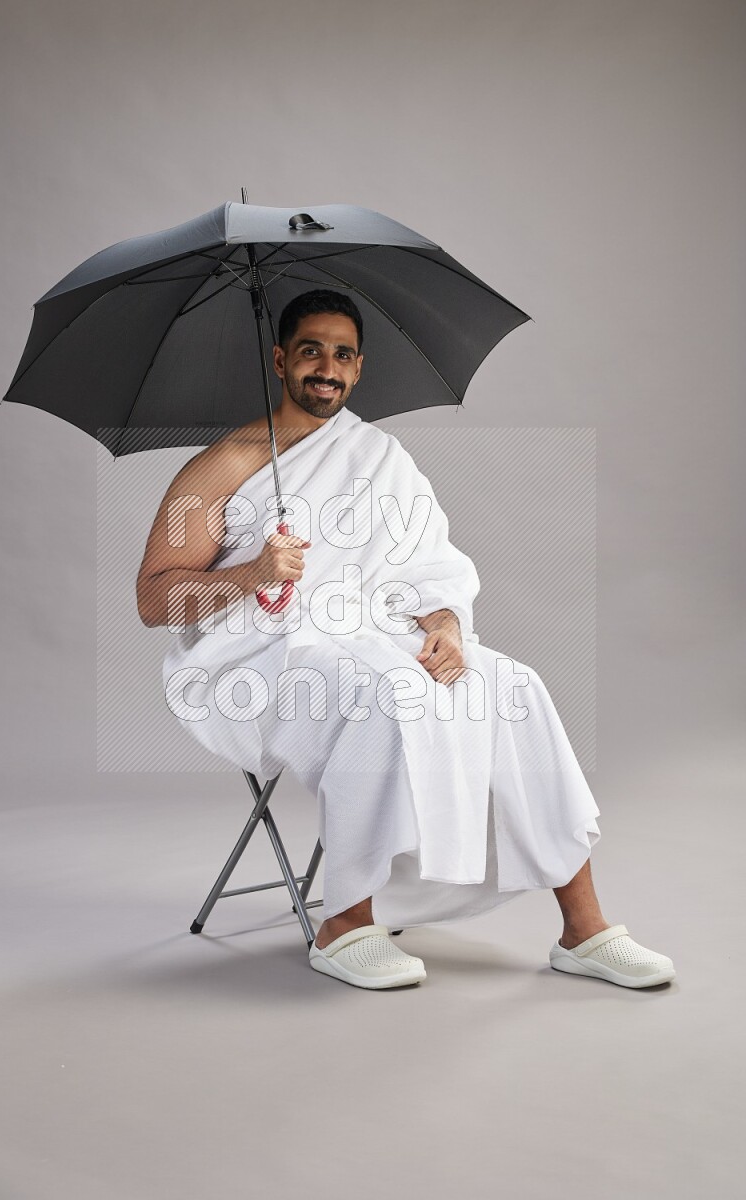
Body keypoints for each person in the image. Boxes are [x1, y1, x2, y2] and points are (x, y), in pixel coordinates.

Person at [137, 289, 675, 993]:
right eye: (310, 351)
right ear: (279, 360)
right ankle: (345, 921)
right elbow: (154, 599)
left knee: (512, 688)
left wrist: (446, 627)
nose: (327, 367)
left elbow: (429, 571)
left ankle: (583, 929)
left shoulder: (379, 455)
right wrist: (252, 571)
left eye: (342, 354)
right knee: (380, 693)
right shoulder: (221, 467)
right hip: (262, 654)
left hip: (373, 633)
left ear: (359, 369)